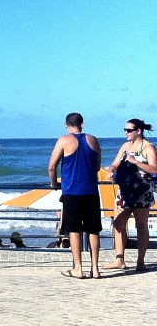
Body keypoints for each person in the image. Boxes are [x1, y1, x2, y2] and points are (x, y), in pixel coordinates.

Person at [48, 112, 102, 279]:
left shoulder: (64, 140)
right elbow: (97, 166)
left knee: (74, 229)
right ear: (82, 124)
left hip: (72, 191)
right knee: (93, 230)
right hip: (91, 191)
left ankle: (78, 268)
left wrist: (54, 183)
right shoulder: (93, 140)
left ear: (66, 125)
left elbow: (52, 166)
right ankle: (95, 268)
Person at [104, 118, 154, 272]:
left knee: (141, 225)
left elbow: (154, 169)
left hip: (141, 191)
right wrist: (111, 170)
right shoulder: (126, 146)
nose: (126, 132)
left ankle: (140, 260)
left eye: (129, 130)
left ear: (138, 131)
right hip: (125, 190)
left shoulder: (148, 147)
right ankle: (119, 259)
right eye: (124, 130)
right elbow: (115, 163)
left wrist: (135, 162)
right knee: (118, 223)